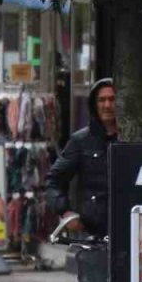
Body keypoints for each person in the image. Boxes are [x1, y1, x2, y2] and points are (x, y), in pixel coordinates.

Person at [45, 78, 119, 237]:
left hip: (129, 227)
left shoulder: (132, 138)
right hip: (90, 233)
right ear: (94, 104)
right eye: (102, 100)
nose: (107, 105)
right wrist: (65, 213)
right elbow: (54, 180)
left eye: (112, 99)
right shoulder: (80, 140)